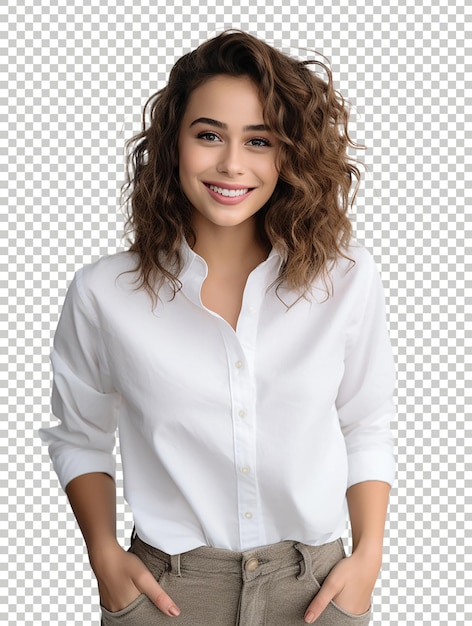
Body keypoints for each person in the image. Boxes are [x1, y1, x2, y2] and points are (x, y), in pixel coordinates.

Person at [39, 30, 396, 626]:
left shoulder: (346, 279)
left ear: (290, 156)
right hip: (166, 596)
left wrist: (370, 559)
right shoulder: (104, 293)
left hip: (315, 592)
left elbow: (364, 424)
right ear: (173, 143)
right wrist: (103, 556)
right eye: (209, 135)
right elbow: (80, 434)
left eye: (260, 141)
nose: (232, 164)